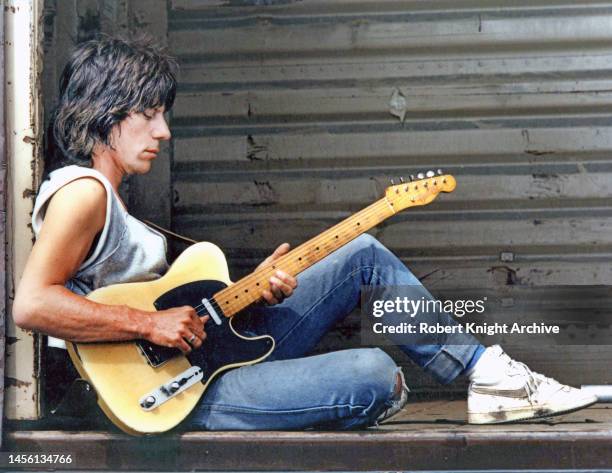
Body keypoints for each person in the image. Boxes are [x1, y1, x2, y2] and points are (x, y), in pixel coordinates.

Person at [13, 37, 596, 430]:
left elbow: (174, 312)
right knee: (372, 375)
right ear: (109, 110)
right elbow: (34, 305)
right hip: (160, 398)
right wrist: (150, 323)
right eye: (150, 113)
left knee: (361, 252)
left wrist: (248, 290)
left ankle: (488, 376)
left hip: (203, 361)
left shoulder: (114, 200)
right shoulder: (84, 192)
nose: (164, 131)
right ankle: (481, 381)